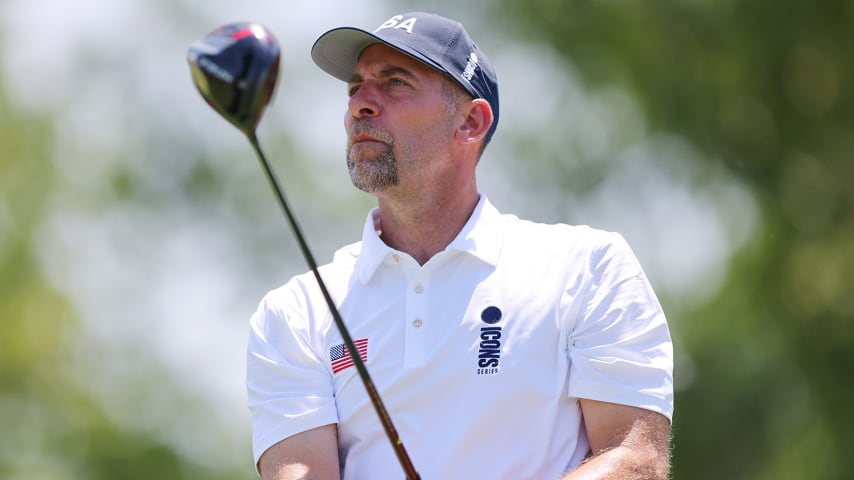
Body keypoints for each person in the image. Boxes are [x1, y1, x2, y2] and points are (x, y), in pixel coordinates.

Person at [246, 11, 674, 480]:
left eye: (394, 83)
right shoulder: (293, 313)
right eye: (355, 88)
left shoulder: (588, 268)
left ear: (470, 122)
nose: (360, 105)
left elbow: (635, 462)